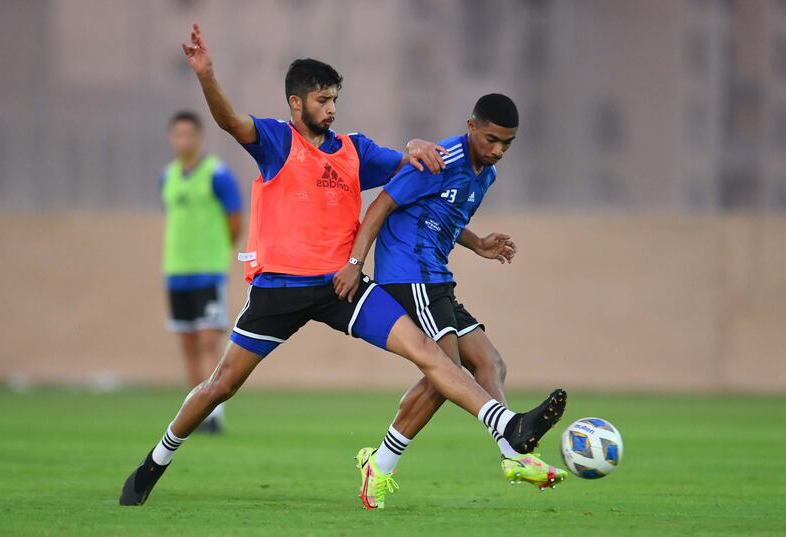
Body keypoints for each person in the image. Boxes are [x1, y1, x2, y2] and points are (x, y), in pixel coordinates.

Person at [119, 24, 566, 507]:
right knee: (220, 385)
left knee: (432, 354)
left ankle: (507, 429)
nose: (331, 109)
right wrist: (207, 76)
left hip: (341, 285)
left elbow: (413, 172)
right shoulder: (275, 140)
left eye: (334, 99)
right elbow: (230, 122)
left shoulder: (355, 149)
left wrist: (417, 146)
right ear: (296, 104)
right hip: (279, 288)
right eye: (322, 100)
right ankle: (156, 460)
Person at [332, 94, 568, 510]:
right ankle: (505, 449)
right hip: (409, 276)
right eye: (492, 139)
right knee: (447, 372)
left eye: (507, 144)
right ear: (472, 126)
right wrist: (355, 262)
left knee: (488, 364)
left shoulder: (485, 175)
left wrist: (477, 243)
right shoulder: (440, 159)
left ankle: (510, 457)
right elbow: (381, 206)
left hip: (436, 280)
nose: (498, 150)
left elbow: (444, 217)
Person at [160, 110, 243, 433]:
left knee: (209, 340)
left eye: (189, 134)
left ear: (199, 137)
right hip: (176, 270)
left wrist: (219, 251)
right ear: (172, 138)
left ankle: (214, 413)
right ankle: (193, 411)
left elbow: (235, 220)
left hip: (208, 271)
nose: (184, 140)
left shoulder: (217, 174)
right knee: (188, 343)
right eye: (178, 134)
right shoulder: (167, 177)